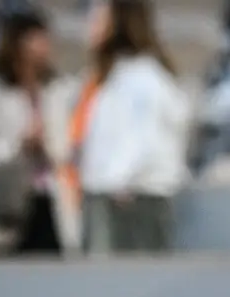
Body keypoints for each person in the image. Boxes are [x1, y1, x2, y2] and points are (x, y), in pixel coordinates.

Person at [72, 0, 191, 254]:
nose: (90, 27)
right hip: (114, 194)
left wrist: (118, 179)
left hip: (130, 199)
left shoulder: (142, 78)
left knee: (121, 284)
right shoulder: (117, 76)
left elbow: (142, 136)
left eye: (98, 19)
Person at [0, 8, 74, 257]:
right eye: (39, 39)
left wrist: (45, 146)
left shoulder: (54, 89)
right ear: (18, 42)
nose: (46, 46)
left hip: (44, 202)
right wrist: (18, 145)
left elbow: (65, 148)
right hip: (4, 204)